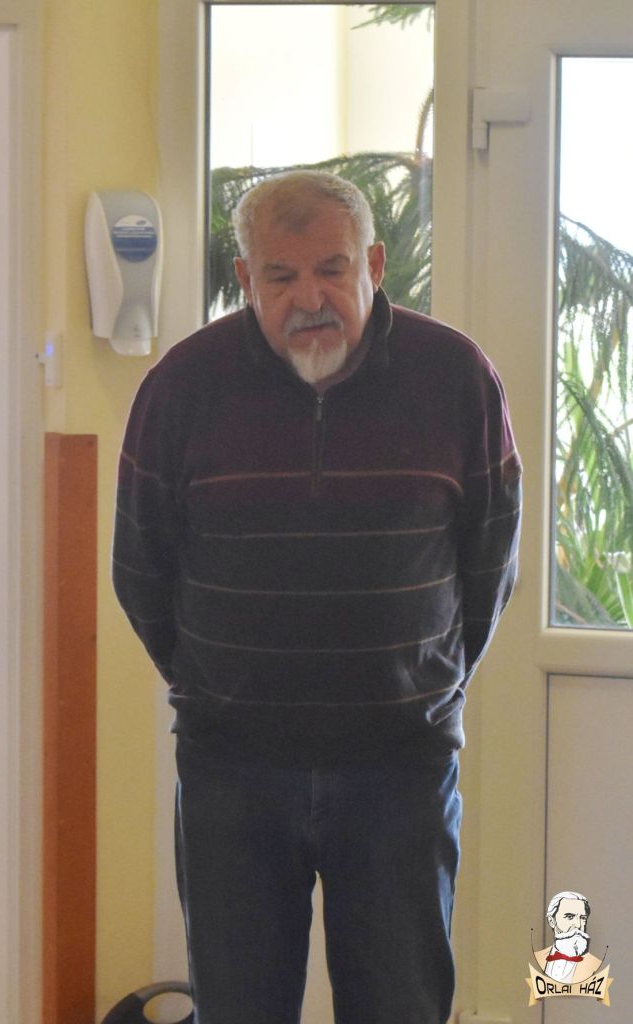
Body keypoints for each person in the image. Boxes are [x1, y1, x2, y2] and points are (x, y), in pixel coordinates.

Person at [113, 170, 522, 1024]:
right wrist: (221, 686)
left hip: (400, 771)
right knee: (239, 1008)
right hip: (232, 773)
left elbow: (489, 562)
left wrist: (422, 684)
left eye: (332, 269)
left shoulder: (455, 378)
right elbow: (142, 570)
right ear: (244, 278)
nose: (310, 298)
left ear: (373, 263)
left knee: (401, 1006)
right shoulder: (183, 387)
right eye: (281, 276)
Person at [534, 891, 603, 983]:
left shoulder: (594, 965)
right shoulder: (537, 958)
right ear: (552, 921)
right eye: (570, 917)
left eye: (583, 918)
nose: (578, 925)